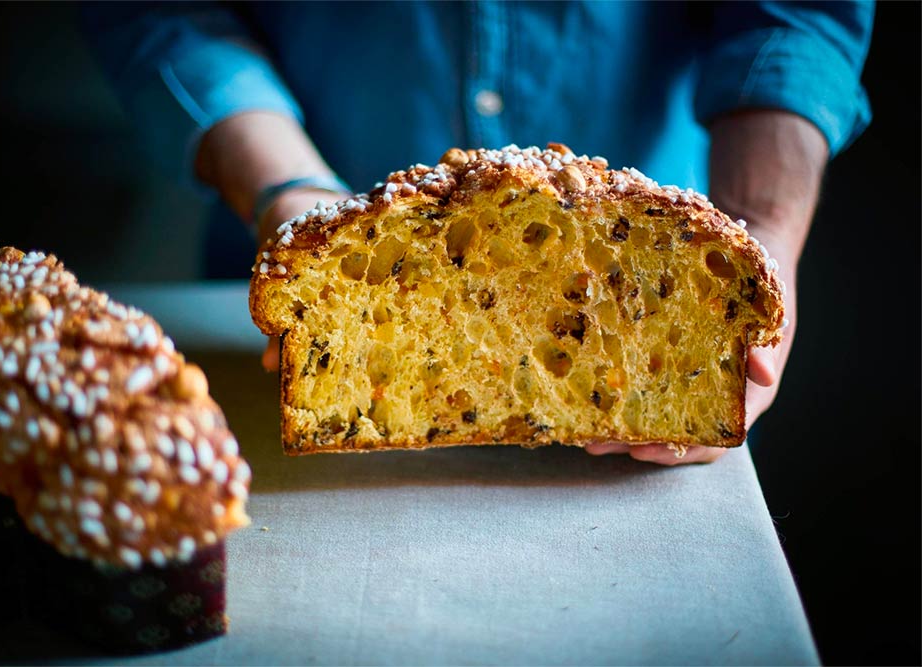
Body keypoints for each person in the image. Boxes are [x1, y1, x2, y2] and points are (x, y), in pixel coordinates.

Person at [80, 1, 873, 465]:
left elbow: (800, 11)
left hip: (659, 293)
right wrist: (296, 195)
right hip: (293, 220)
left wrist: (762, 222)